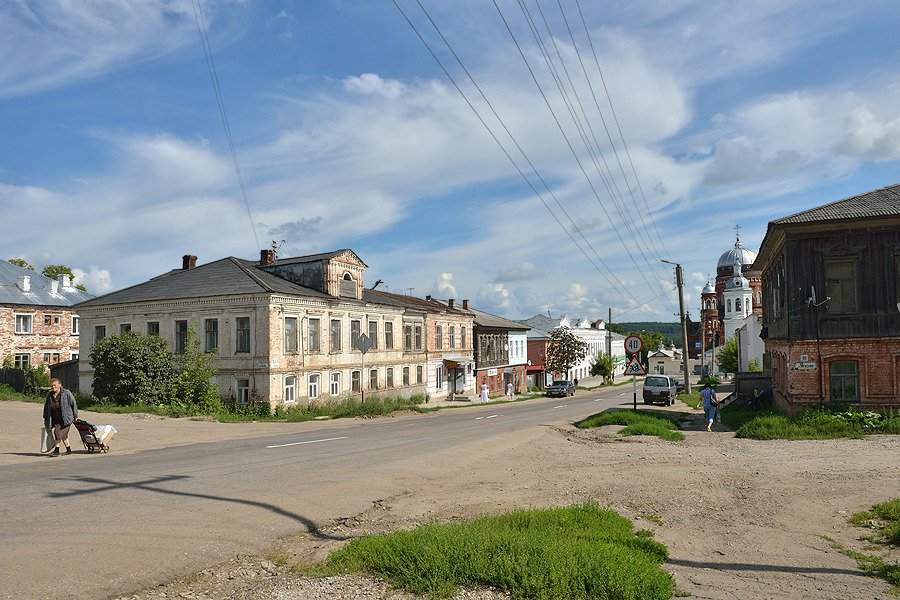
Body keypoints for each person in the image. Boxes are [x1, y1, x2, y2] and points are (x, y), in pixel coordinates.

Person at [43, 378, 78, 456]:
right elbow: (46, 407)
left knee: (57, 432)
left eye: (54, 385)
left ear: (59, 385)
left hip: (66, 418)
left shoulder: (66, 393)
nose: (53, 387)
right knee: (63, 435)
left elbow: (73, 403)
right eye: (51, 385)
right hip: (55, 418)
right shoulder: (49, 395)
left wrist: (75, 416)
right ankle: (68, 450)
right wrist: (45, 418)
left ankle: (56, 450)